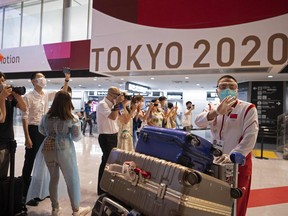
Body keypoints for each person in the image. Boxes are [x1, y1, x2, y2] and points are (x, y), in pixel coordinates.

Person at [195, 75, 258, 216]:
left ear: (237, 90)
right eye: (223, 87)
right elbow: (198, 121)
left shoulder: (248, 109)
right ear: (217, 91)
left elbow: (250, 136)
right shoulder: (212, 107)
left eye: (232, 87)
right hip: (216, 162)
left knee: (236, 203)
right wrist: (217, 112)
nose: (227, 90)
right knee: (215, 199)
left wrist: (234, 155)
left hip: (238, 163)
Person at [21, 71, 70, 206]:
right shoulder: (28, 97)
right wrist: (27, 137)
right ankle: (25, 194)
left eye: (43, 77)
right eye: (40, 77)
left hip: (45, 131)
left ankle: (38, 191)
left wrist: (66, 81)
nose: (43, 79)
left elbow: (62, 95)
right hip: (33, 130)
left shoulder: (46, 95)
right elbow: (24, 118)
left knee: (43, 162)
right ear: (33, 81)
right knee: (30, 161)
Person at [38, 91, 90, 216]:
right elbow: (76, 136)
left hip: (48, 148)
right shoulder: (72, 118)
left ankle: (55, 209)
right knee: (71, 179)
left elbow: (42, 130)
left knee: (53, 179)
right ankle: (76, 209)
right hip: (64, 149)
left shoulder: (46, 117)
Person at [96, 86, 124, 195]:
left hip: (113, 135)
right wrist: (117, 104)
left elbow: (122, 116)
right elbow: (113, 117)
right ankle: (101, 188)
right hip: (106, 137)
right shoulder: (103, 104)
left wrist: (121, 104)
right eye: (117, 95)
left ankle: (106, 186)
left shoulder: (112, 104)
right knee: (106, 162)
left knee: (110, 162)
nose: (118, 97)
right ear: (110, 94)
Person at [0, 72, 26, 180]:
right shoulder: (3, 96)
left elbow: (24, 108)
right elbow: (2, 118)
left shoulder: (9, 97)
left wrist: (17, 95)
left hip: (8, 137)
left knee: (3, 172)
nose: (2, 83)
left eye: (3, 80)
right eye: (0, 80)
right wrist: (1, 98)